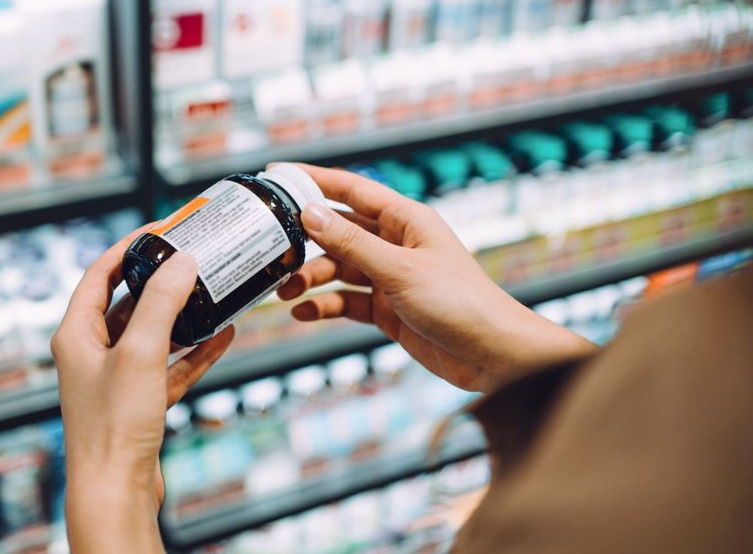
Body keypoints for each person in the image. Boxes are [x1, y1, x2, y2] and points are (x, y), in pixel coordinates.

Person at [50, 164, 753, 553]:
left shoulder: (709, 421)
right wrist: (512, 355)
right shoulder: (706, 360)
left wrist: (111, 480)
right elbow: (651, 428)